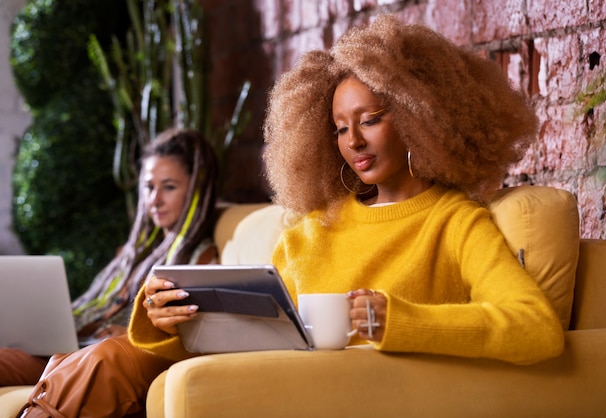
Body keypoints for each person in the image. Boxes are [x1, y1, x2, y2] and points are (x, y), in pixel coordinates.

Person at [130, 15, 563, 365]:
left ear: (421, 117)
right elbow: (256, 347)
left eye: (370, 120)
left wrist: (401, 322)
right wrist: (168, 322)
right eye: (340, 128)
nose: (352, 141)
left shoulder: (454, 222)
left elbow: (537, 329)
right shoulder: (310, 231)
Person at [16, 127, 219, 416]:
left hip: (97, 352)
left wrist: (129, 329)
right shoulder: (135, 251)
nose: (155, 199)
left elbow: (189, 329)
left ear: (196, 190)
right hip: (74, 345)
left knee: (100, 358)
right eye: (149, 187)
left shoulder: (201, 258)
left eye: (169, 186)